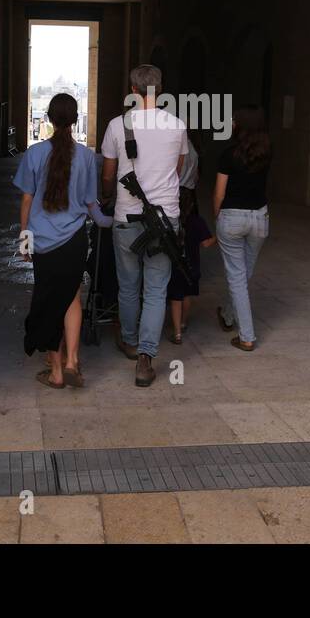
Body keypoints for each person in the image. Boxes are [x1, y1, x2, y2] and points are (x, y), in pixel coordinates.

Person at [13, 93, 111, 389]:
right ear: (75, 118)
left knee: (48, 299)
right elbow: (91, 202)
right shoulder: (85, 156)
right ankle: (72, 361)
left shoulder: (35, 154)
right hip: (74, 240)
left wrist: (24, 240)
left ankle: (56, 371)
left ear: (49, 118)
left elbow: (27, 199)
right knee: (71, 297)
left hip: (44, 241)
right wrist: (110, 221)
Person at [100, 64, 188, 386]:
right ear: (160, 89)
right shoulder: (177, 125)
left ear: (132, 90)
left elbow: (108, 174)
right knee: (156, 290)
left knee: (128, 286)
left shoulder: (117, 125)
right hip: (165, 219)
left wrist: (106, 196)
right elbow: (176, 170)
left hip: (126, 217)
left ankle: (130, 340)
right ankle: (146, 358)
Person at [213, 106, 271, 351]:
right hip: (260, 218)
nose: (232, 124)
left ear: (241, 125)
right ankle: (227, 314)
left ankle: (247, 336)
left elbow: (219, 192)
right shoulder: (267, 153)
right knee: (243, 273)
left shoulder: (229, 154)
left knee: (237, 276)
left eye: (235, 120)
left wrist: (217, 217)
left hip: (233, 218)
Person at [165, 189, 215, 344]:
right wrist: (218, 237)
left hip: (174, 265)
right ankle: (183, 322)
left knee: (175, 299)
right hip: (192, 266)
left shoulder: (170, 221)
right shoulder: (197, 221)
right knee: (187, 296)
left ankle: (177, 333)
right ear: (193, 204)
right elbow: (206, 243)